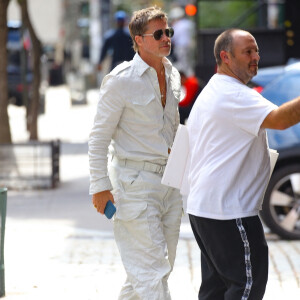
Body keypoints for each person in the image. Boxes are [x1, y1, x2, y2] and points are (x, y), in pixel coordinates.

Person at [186, 28, 300, 300]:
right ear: (225, 57)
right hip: (228, 211)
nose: (255, 57)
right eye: (247, 52)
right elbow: (281, 119)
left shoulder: (217, 88)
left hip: (206, 209)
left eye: (256, 50)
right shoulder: (232, 94)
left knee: (216, 291)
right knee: (246, 288)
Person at [89, 6, 183, 300]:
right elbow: (98, 138)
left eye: (168, 32)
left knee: (149, 273)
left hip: (170, 185)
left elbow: (172, 131)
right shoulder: (120, 80)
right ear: (138, 40)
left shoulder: (173, 73)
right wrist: (100, 186)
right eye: (158, 34)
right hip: (134, 186)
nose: (166, 38)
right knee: (152, 275)